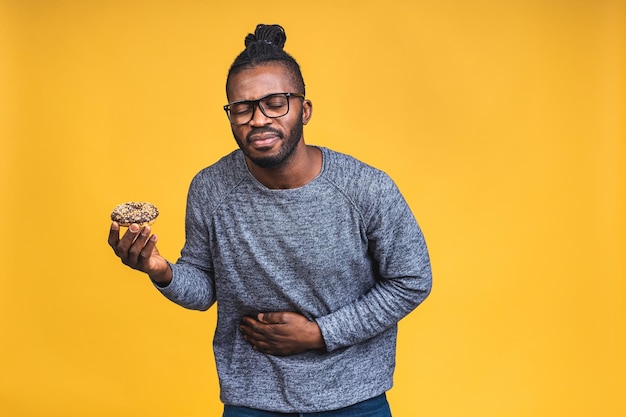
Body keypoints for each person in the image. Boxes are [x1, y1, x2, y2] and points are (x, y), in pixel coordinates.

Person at [108, 23, 432, 417]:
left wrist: (320, 334)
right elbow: (205, 287)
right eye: (242, 107)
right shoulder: (211, 188)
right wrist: (161, 270)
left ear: (304, 109)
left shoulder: (366, 188)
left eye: (275, 102)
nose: (258, 119)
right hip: (252, 402)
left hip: (354, 399)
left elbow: (412, 280)